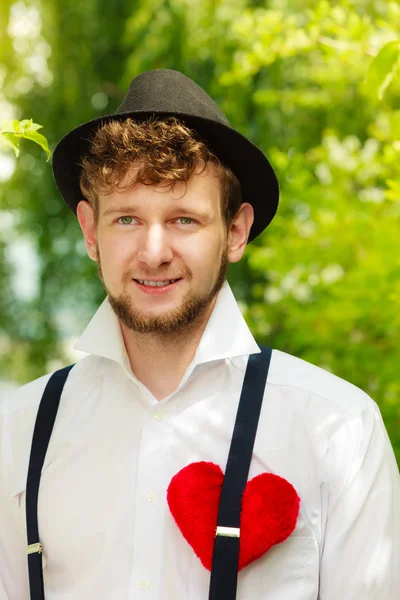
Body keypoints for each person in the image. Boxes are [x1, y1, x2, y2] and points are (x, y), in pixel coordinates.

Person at [0, 69, 399, 600]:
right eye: (126, 220)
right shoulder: (18, 435)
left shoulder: (337, 429)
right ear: (90, 232)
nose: (154, 251)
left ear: (235, 232)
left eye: (184, 219)